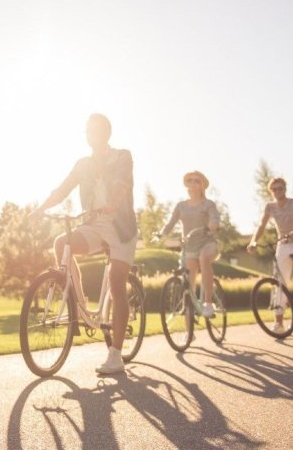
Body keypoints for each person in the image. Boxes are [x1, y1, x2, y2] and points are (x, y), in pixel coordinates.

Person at [29, 113, 138, 375]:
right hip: (93, 225)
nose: (91, 135)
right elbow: (62, 189)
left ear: (106, 133)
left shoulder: (122, 156)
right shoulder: (82, 164)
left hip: (121, 227)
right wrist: (39, 209)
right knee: (61, 244)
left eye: (95, 130)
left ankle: (115, 355)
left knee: (116, 282)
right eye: (87, 131)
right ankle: (76, 304)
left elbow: (123, 183)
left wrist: (113, 199)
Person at [247, 176, 293, 331]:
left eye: (280, 188)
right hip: (284, 243)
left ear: (285, 189)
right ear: (270, 191)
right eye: (274, 189)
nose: (277, 191)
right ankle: (279, 323)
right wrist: (253, 242)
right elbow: (261, 225)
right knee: (279, 281)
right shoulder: (270, 206)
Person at [156, 171, 220, 318]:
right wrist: (161, 233)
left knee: (204, 258)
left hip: (207, 243)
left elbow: (214, 219)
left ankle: (208, 303)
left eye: (196, 180)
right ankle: (188, 332)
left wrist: (212, 225)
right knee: (188, 287)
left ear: (203, 185)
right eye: (189, 180)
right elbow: (170, 223)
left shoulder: (208, 204)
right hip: (189, 246)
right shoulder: (181, 206)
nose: (192, 183)